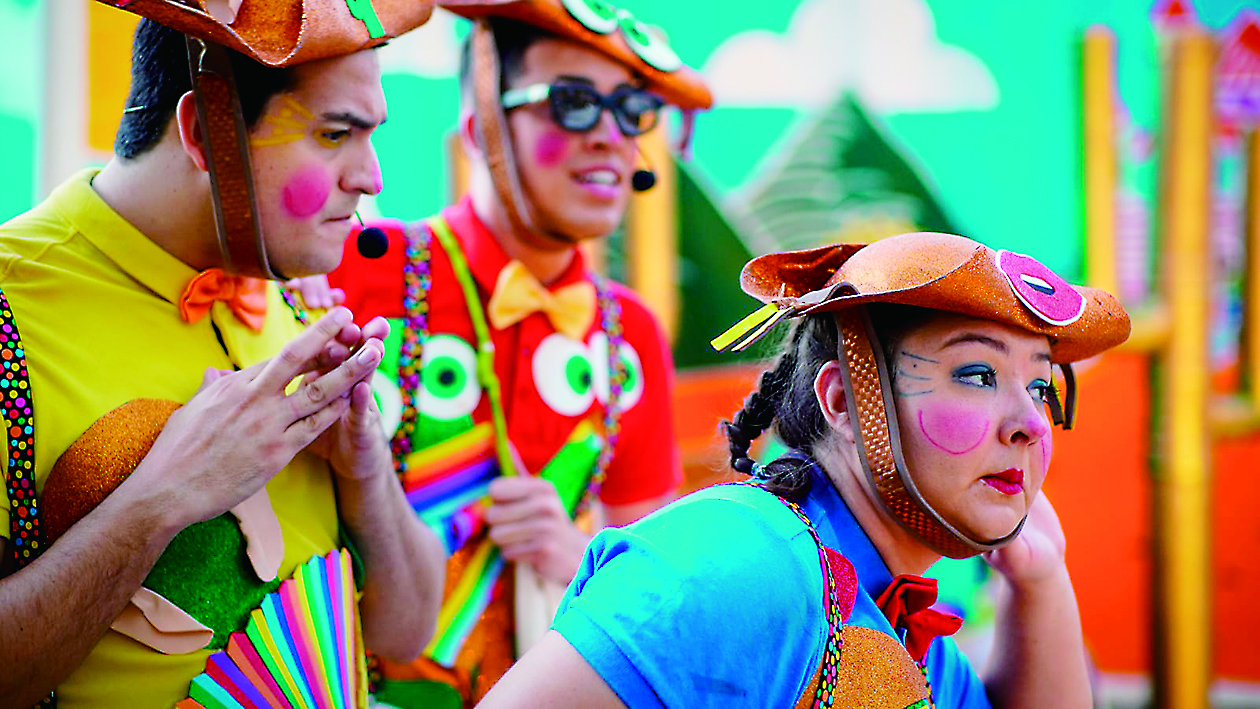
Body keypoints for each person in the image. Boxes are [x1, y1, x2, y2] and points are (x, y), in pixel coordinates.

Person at [0, 2, 446, 706]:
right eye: (334, 134)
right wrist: (160, 500)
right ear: (205, 132)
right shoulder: (10, 311)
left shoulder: (300, 297)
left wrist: (367, 476)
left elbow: (406, 635)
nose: (371, 178)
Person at [480, 232, 1132, 707]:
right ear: (843, 402)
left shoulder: (904, 623)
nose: (1030, 422)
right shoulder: (736, 561)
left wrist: (1041, 580)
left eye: (1042, 387)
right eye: (979, 374)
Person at [323, 0, 711, 703]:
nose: (609, 137)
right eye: (572, 102)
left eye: (630, 109)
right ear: (482, 130)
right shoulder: (357, 271)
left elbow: (655, 596)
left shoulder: (632, 336)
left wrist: (583, 559)